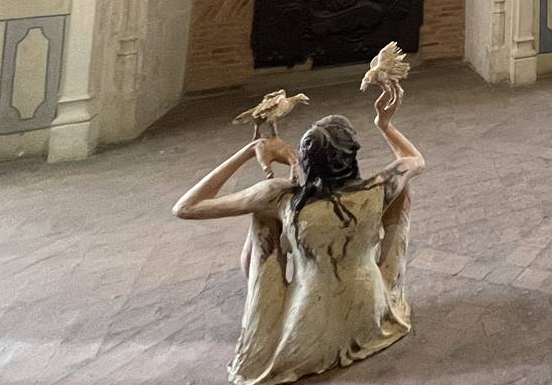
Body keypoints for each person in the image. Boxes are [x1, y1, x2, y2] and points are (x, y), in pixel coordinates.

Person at [173, 79, 424, 385]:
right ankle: (391, 286)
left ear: (306, 161)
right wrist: (384, 124)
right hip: (371, 312)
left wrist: (250, 150)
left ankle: (263, 309)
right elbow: (414, 161)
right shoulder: (379, 188)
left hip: (310, 324)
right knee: (403, 192)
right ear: (351, 154)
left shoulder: (282, 197)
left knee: (263, 215)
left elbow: (187, 207)